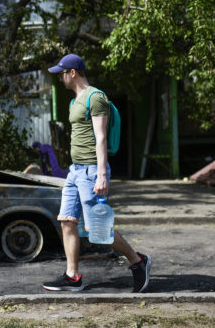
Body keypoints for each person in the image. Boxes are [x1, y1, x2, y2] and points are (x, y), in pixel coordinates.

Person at [42, 53, 152, 293]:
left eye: (62, 73)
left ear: (73, 72)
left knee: (97, 229)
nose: (60, 78)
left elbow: (101, 137)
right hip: (75, 171)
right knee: (67, 221)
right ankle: (72, 277)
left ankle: (137, 261)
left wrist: (101, 175)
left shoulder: (96, 97)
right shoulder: (74, 102)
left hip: (92, 171)